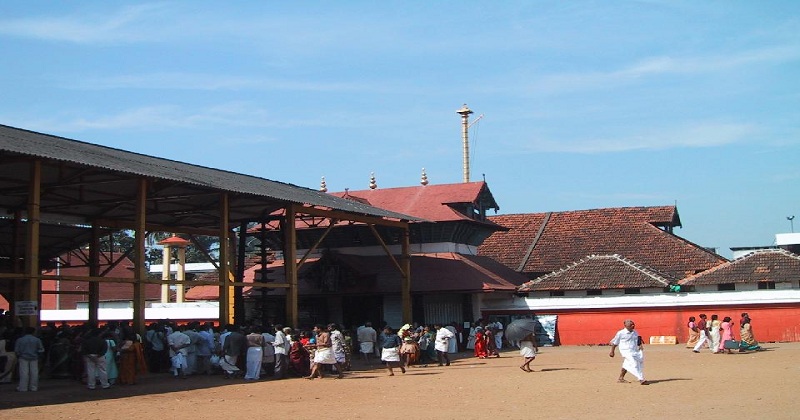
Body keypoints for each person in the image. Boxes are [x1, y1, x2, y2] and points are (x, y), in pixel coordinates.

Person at [609, 319, 648, 385]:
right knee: (633, 363)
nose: (633, 326)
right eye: (631, 325)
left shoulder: (635, 332)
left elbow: (638, 338)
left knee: (628, 364)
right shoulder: (621, 333)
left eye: (633, 324)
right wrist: (612, 351)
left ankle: (621, 378)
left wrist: (640, 345)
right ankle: (641, 379)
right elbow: (615, 343)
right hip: (625, 351)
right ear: (625, 326)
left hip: (634, 350)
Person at [14, 327, 44, 392]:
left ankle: (23, 388)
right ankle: (33, 387)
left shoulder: (20, 340)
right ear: (33, 332)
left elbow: (16, 350)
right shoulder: (37, 340)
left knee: (24, 373)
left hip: (23, 357)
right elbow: (41, 349)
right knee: (34, 373)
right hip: (34, 357)